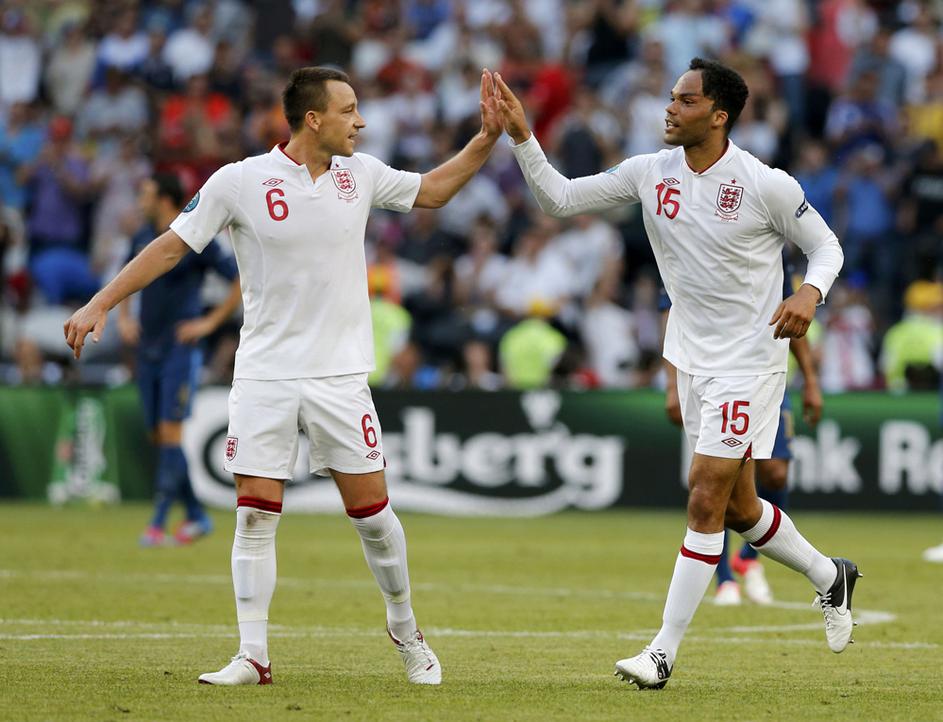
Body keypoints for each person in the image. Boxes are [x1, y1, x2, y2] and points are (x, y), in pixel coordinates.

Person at [65, 65, 504, 686]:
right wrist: (101, 302)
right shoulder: (239, 181)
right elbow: (171, 245)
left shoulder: (360, 174)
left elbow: (433, 190)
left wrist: (486, 138)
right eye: (349, 110)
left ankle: (407, 632)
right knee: (254, 515)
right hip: (265, 374)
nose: (361, 121)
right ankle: (253, 656)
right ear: (313, 119)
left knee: (373, 516)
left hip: (338, 376)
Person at [494, 58, 854, 689]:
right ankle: (831, 576)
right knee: (740, 508)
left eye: (686, 100)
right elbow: (559, 198)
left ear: (718, 116)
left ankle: (661, 654)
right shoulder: (649, 172)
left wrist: (809, 291)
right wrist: (524, 135)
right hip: (692, 357)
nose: (670, 108)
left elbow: (827, 246)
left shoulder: (764, 183)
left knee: (704, 494)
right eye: (671, 97)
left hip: (749, 361)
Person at [663, 257, 825, 606]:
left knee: (775, 473)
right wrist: (671, 384)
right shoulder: (684, 241)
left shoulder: (768, 247)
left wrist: (810, 380)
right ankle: (725, 579)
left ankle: (751, 558)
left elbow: (791, 312)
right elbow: (671, 310)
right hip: (712, 376)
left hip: (764, 376)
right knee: (717, 481)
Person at [118, 173, 241, 547]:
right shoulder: (142, 236)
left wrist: (209, 322)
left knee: (171, 433)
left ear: (165, 199)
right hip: (148, 348)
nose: (140, 200)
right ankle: (197, 515)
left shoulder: (195, 236)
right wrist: (124, 317)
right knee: (159, 436)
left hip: (179, 349)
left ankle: (157, 523)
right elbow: (127, 275)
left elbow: (239, 280)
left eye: (146, 193)